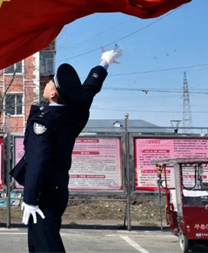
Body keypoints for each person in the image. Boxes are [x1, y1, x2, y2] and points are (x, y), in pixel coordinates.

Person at [10, 45, 123, 252]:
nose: (46, 83)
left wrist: (30, 198)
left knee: (46, 245)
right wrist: (104, 63)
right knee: (41, 244)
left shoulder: (43, 122)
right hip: (58, 189)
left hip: (43, 192)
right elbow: (89, 88)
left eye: (50, 82)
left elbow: (38, 159)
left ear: (53, 93)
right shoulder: (75, 111)